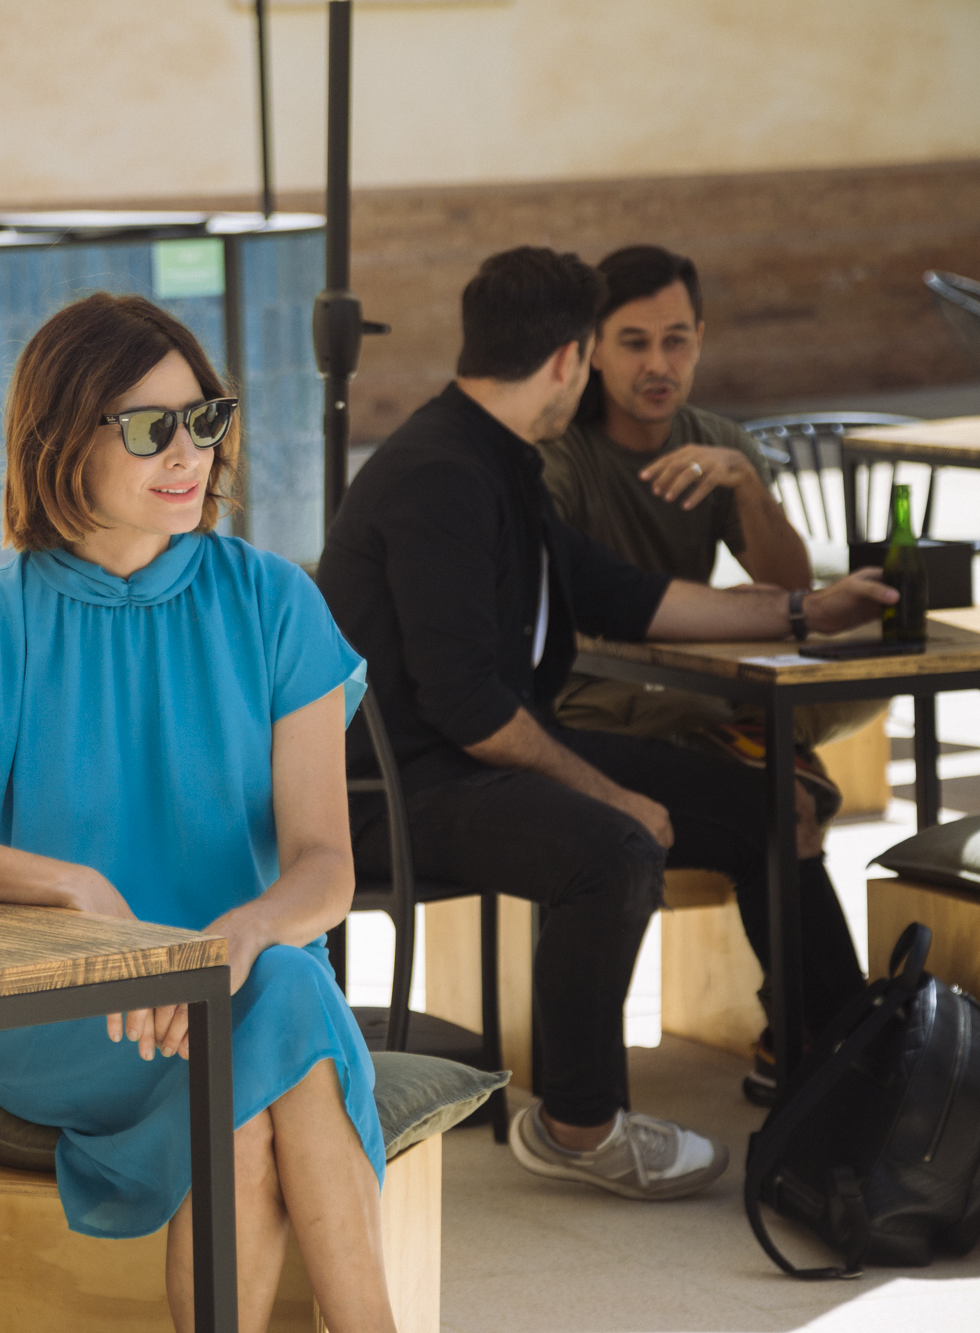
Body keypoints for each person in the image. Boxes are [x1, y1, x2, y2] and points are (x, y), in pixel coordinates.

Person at [0, 293, 395, 1332]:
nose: (189, 451)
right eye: (151, 427)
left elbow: (326, 864)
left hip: (242, 984)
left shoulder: (275, 599)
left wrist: (237, 934)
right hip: (68, 1011)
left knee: (268, 1024)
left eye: (204, 418)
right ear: (62, 440)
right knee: (274, 1029)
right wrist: (74, 888)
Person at [317, 247, 896, 1201]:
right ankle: (578, 1128)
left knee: (771, 804)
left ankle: (840, 1067)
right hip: (394, 789)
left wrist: (807, 611)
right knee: (614, 846)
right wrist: (610, 794)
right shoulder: (440, 473)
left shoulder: (498, 457)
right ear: (569, 359)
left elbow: (624, 594)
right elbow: (467, 705)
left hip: (472, 761)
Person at [541, 244, 884, 860]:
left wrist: (747, 486)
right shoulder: (560, 454)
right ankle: (762, 774)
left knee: (867, 683)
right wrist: (725, 611)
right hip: (593, 699)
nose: (658, 364)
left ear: (699, 340)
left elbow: (791, 588)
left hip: (697, 688)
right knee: (785, 806)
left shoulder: (719, 444)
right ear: (593, 349)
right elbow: (557, 606)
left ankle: (754, 763)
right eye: (634, 343)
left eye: (675, 341)